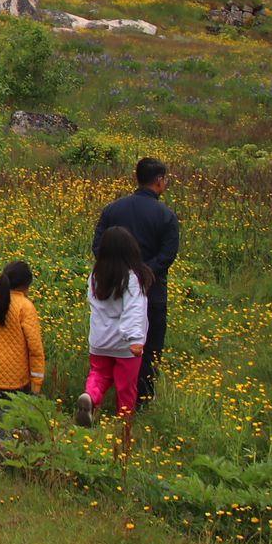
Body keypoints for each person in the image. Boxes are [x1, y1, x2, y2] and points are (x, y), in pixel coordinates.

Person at [92, 157, 179, 405]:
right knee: (149, 346)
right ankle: (141, 398)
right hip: (153, 292)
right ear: (160, 181)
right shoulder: (166, 216)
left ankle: (102, 392)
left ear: (137, 178)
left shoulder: (113, 209)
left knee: (110, 341)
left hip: (112, 288)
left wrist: (120, 272)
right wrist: (143, 274)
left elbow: (98, 246)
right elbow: (167, 255)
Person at [76, 227, 150, 429]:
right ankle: (123, 426)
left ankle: (90, 397)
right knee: (126, 387)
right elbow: (134, 309)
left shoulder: (96, 275)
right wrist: (135, 339)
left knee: (99, 374)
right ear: (130, 249)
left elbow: (94, 303)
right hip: (124, 345)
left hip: (100, 340)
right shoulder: (132, 278)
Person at [0, 260, 45, 407]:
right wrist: (37, 383)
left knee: (3, 409)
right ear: (26, 285)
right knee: (18, 414)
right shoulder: (25, 306)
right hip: (19, 377)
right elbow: (35, 348)